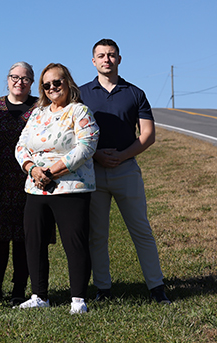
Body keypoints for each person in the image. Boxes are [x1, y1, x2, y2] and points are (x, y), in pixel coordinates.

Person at [80, 39, 170, 304]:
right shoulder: (81, 93)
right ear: (93, 61)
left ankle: (156, 287)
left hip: (126, 170)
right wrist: (96, 154)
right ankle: (103, 289)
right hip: (92, 171)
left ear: (119, 59)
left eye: (111, 55)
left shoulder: (135, 93)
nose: (106, 59)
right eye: (101, 55)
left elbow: (148, 135)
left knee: (141, 229)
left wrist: (121, 156)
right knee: (97, 233)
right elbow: (73, 134)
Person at [14, 63, 99, 315]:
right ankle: (39, 295)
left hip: (71, 188)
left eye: (57, 82)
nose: (52, 87)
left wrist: (51, 172)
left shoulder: (79, 111)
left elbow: (86, 146)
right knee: (34, 242)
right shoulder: (37, 113)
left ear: (68, 83)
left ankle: (78, 299)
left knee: (75, 243)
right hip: (35, 188)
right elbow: (21, 145)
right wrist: (32, 169)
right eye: (47, 84)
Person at [0, 62, 37, 306]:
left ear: (32, 82)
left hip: (28, 182)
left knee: (25, 239)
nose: (18, 82)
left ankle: (19, 289)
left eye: (24, 78)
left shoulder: (39, 107)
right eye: (14, 77)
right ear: (7, 79)